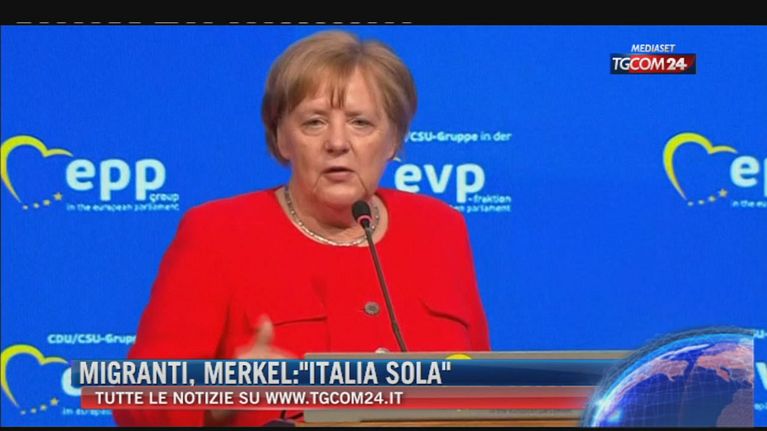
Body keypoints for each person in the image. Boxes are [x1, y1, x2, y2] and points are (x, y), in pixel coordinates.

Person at [113, 30, 490, 427]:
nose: (337, 142)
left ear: (394, 139)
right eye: (314, 122)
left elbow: (488, 388)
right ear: (281, 137)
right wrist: (223, 393)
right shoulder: (218, 233)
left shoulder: (439, 228)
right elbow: (138, 402)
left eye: (361, 122)